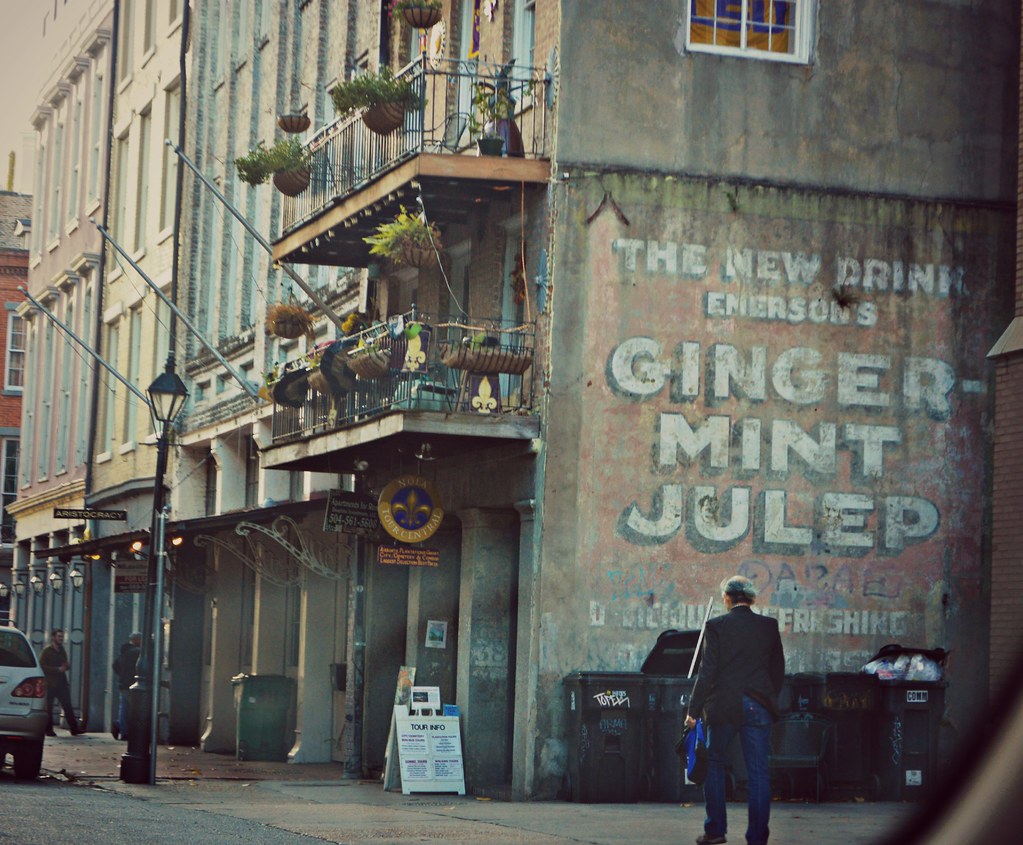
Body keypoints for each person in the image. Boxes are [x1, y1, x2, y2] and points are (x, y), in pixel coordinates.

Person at [685, 575, 785, 845]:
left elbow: (707, 673)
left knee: (714, 764)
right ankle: (757, 838)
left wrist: (693, 710)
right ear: (751, 598)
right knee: (758, 773)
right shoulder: (768, 626)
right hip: (759, 705)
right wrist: (767, 697)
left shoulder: (716, 626)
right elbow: (778, 670)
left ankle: (715, 831)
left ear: (727, 598)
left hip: (724, 706)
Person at [39, 628, 85, 736]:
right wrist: (56, 669)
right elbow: (42, 666)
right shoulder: (46, 651)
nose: (61, 639)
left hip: (61, 682)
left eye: (62, 637)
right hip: (50, 683)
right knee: (48, 707)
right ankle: (48, 729)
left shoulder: (62, 650)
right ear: (53, 637)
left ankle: (74, 728)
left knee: (67, 705)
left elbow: (65, 663)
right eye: (59, 636)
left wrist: (66, 666)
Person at [111, 632, 141, 740]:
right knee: (133, 708)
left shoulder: (124, 651)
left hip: (123, 683)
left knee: (124, 707)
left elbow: (115, 665)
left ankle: (121, 726)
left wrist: (122, 674)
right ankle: (123, 729)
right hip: (132, 683)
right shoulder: (137, 652)